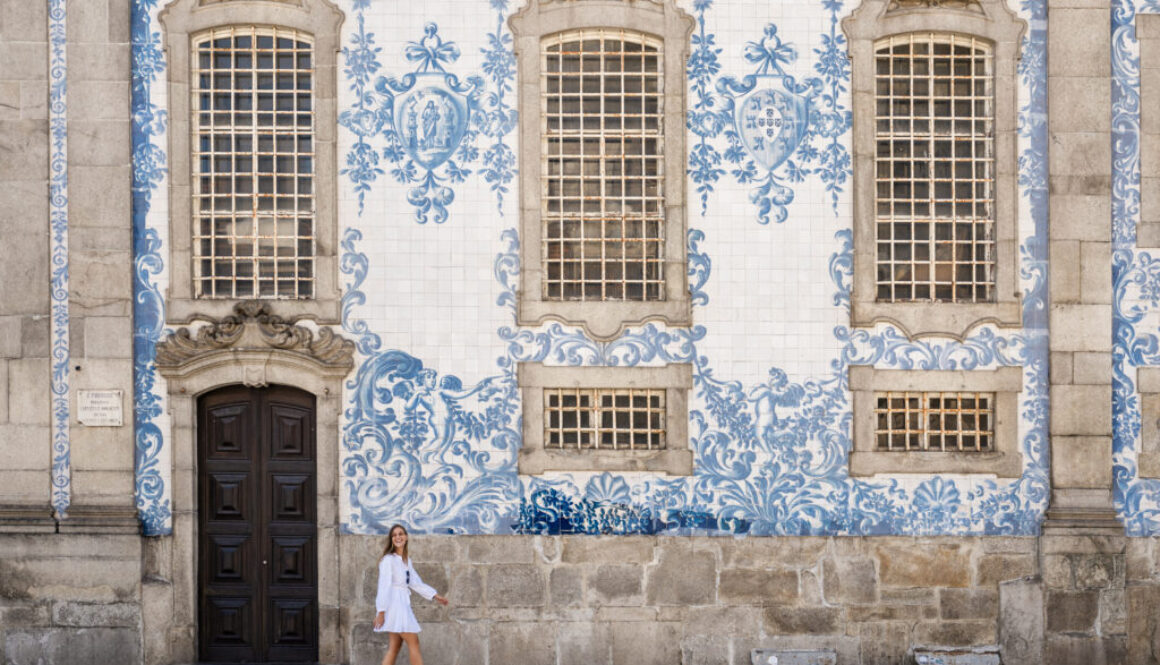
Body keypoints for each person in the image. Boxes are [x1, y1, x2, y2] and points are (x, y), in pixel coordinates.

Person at [374, 524, 449, 665]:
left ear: (406, 537)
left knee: (394, 647)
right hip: (395, 605)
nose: (398, 537)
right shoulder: (388, 560)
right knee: (414, 642)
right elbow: (383, 586)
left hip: (402, 603)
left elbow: (415, 582)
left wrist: (435, 595)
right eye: (394, 535)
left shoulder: (406, 560)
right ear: (391, 539)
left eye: (400, 534)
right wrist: (381, 611)